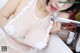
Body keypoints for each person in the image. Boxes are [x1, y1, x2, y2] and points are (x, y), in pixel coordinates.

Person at [0, 0, 75, 53]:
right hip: (3, 47)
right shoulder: (25, 2)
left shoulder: (55, 19)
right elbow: (1, 16)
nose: (60, 5)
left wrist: (51, 32)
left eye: (69, 1)